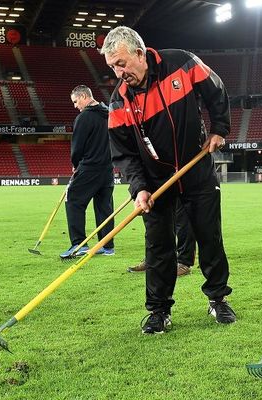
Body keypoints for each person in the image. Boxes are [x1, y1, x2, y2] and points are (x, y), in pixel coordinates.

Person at [100, 26, 236, 334]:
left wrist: (219, 128)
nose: (119, 72)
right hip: (155, 181)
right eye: (112, 67)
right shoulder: (118, 102)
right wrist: (139, 188)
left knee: (209, 237)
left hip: (196, 170)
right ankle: (159, 310)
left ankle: (218, 299)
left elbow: (216, 90)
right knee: (158, 247)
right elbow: (123, 154)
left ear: (139, 53)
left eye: (121, 63)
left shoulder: (183, 63)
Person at [59, 85, 115, 258]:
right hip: (107, 169)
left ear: (84, 96)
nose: (75, 106)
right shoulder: (109, 113)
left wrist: (76, 165)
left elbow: (77, 147)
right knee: (104, 206)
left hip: (89, 167)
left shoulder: (84, 117)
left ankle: (79, 244)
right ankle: (107, 246)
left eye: (76, 102)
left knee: (73, 200)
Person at [128, 199, 196, 277]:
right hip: (157, 189)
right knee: (155, 219)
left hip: (181, 188)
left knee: (183, 219)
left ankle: (184, 262)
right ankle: (153, 259)